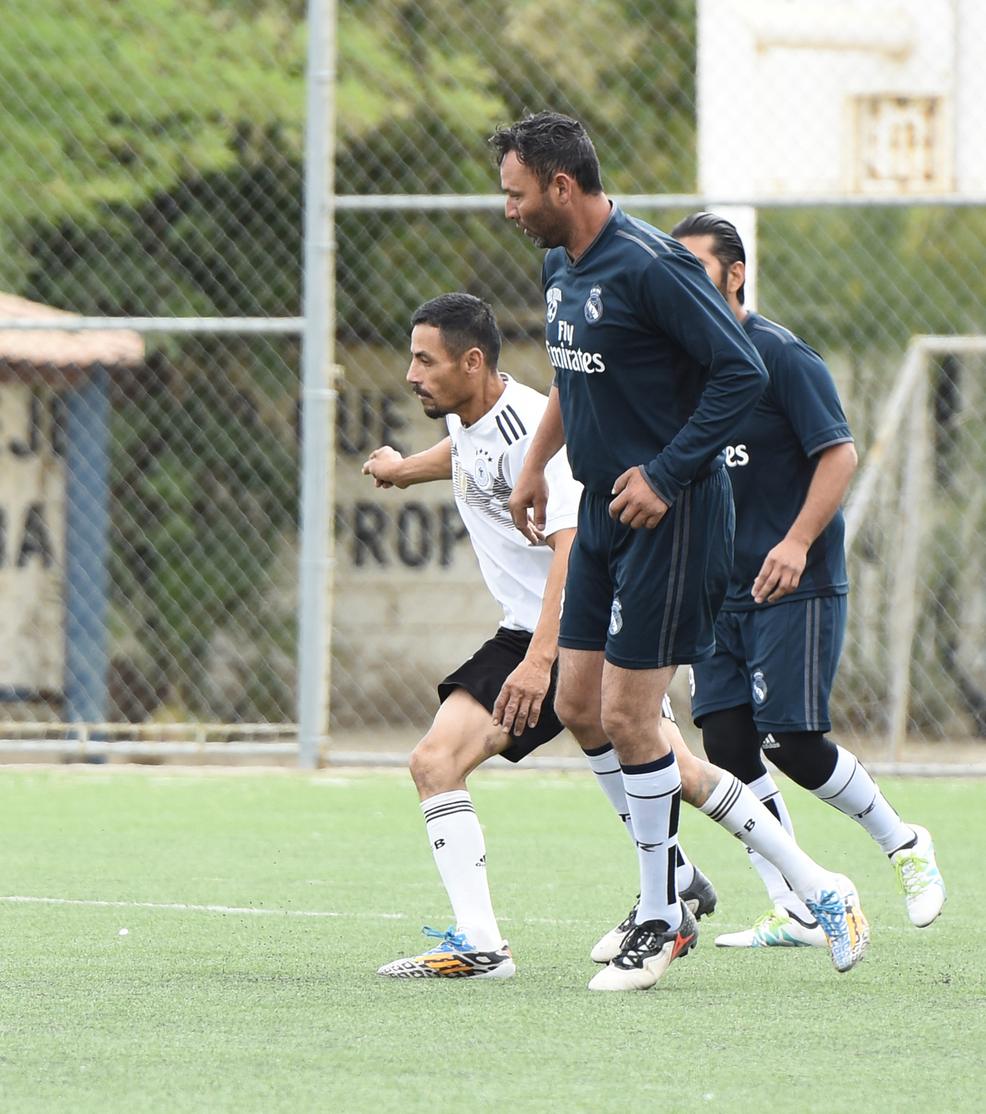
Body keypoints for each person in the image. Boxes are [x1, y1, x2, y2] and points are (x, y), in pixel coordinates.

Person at [495, 111, 869, 990]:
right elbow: (572, 373)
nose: (505, 210)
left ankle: (662, 916)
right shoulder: (559, 264)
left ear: (561, 186)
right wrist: (535, 463)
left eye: (515, 193)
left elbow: (741, 369)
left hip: (676, 516)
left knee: (633, 720)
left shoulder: (655, 266)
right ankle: (812, 885)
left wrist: (664, 474)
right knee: (583, 709)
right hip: (603, 513)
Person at [363, 294, 715, 980]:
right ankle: (682, 882)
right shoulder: (474, 418)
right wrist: (406, 467)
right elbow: (468, 456)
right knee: (436, 763)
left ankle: (813, 888)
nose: (411, 373)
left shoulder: (531, 425)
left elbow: (572, 542)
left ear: (473, 361)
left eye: (423, 359)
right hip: (535, 635)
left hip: (562, 634)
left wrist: (540, 658)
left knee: (693, 778)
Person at [668, 212, 945, 946]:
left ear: (736, 274)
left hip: (795, 583)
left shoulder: (783, 357)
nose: (684, 285)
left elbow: (840, 456)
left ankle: (903, 843)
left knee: (792, 742)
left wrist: (794, 542)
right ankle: (795, 901)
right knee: (725, 744)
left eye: (698, 269)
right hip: (716, 590)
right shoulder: (682, 365)